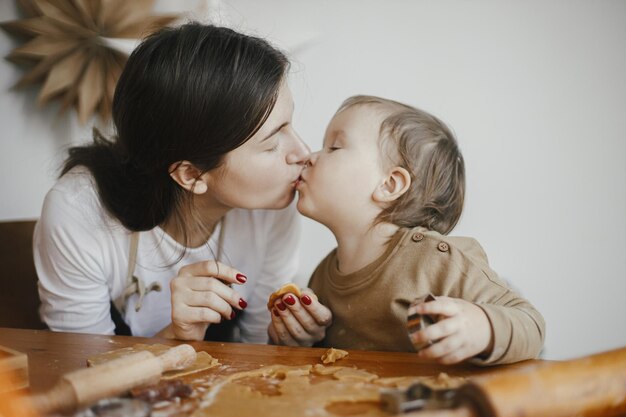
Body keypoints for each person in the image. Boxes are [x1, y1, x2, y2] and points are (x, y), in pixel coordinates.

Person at [33, 23, 311, 343]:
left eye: (290, 125)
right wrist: (178, 335)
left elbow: (257, 351)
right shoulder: (77, 212)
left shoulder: (275, 201)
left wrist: (293, 339)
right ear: (191, 175)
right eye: (272, 143)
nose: (302, 152)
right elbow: (82, 370)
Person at [268, 95, 545, 365]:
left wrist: (483, 327)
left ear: (389, 185)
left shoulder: (440, 260)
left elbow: (532, 324)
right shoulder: (322, 276)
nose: (309, 156)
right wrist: (300, 339)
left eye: (334, 147)